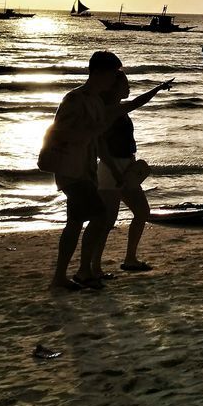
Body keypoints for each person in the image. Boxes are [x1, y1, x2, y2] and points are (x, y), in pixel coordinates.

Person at [46, 51, 136, 291]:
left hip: (86, 171)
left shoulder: (96, 101)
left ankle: (60, 278)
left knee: (74, 223)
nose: (113, 80)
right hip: (71, 171)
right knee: (99, 216)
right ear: (98, 73)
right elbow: (61, 133)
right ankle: (84, 271)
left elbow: (102, 131)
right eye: (111, 74)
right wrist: (90, 130)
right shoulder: (74, 99)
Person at [92, 71, 174, 277]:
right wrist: (114, 170)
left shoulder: (119, 110)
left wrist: (157, 89)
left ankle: (130, 259)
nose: (128, 88)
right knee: (107, 221)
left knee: (142, 211)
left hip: (125, 165)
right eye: (125, 84)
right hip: (110, 168)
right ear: (113, 88)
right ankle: (95, 267)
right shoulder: (109, 111)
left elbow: (136, 102)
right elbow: (101, 147)